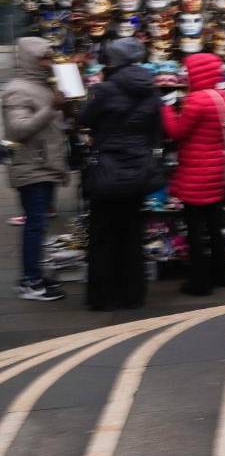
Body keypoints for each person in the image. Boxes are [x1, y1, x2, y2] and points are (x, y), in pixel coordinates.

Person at [79, 38, 161, 310]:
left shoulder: (104, 90)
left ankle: (103, 297)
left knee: (103, 234)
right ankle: (133, 294)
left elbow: (84, 119)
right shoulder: (151, 90)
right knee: (132, 232)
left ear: (113, 60)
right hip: (138, 169)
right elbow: (156, 131)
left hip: (107, 169)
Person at [160, 52, 225, 296]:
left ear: (197, 73)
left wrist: (167, 109)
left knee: (195, 230)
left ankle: (200, 282)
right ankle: (223, 274)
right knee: (214, 226)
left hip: (195, 172)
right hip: (216, 169)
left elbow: (176, 132)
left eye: (188, 71)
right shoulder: (222, 98)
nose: (186, 75)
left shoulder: (196, 100)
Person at [2, 38, 69, 301]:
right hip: (32, 167)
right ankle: (30, 281)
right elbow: (18, 130)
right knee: (35, 225)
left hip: (46, 165)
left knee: (39, 226)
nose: (49, 63)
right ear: (31, 59)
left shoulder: (44, 85)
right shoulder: (17, 90)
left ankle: (35, 275)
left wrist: (65, 107)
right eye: (44, 58)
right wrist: (51, 108)